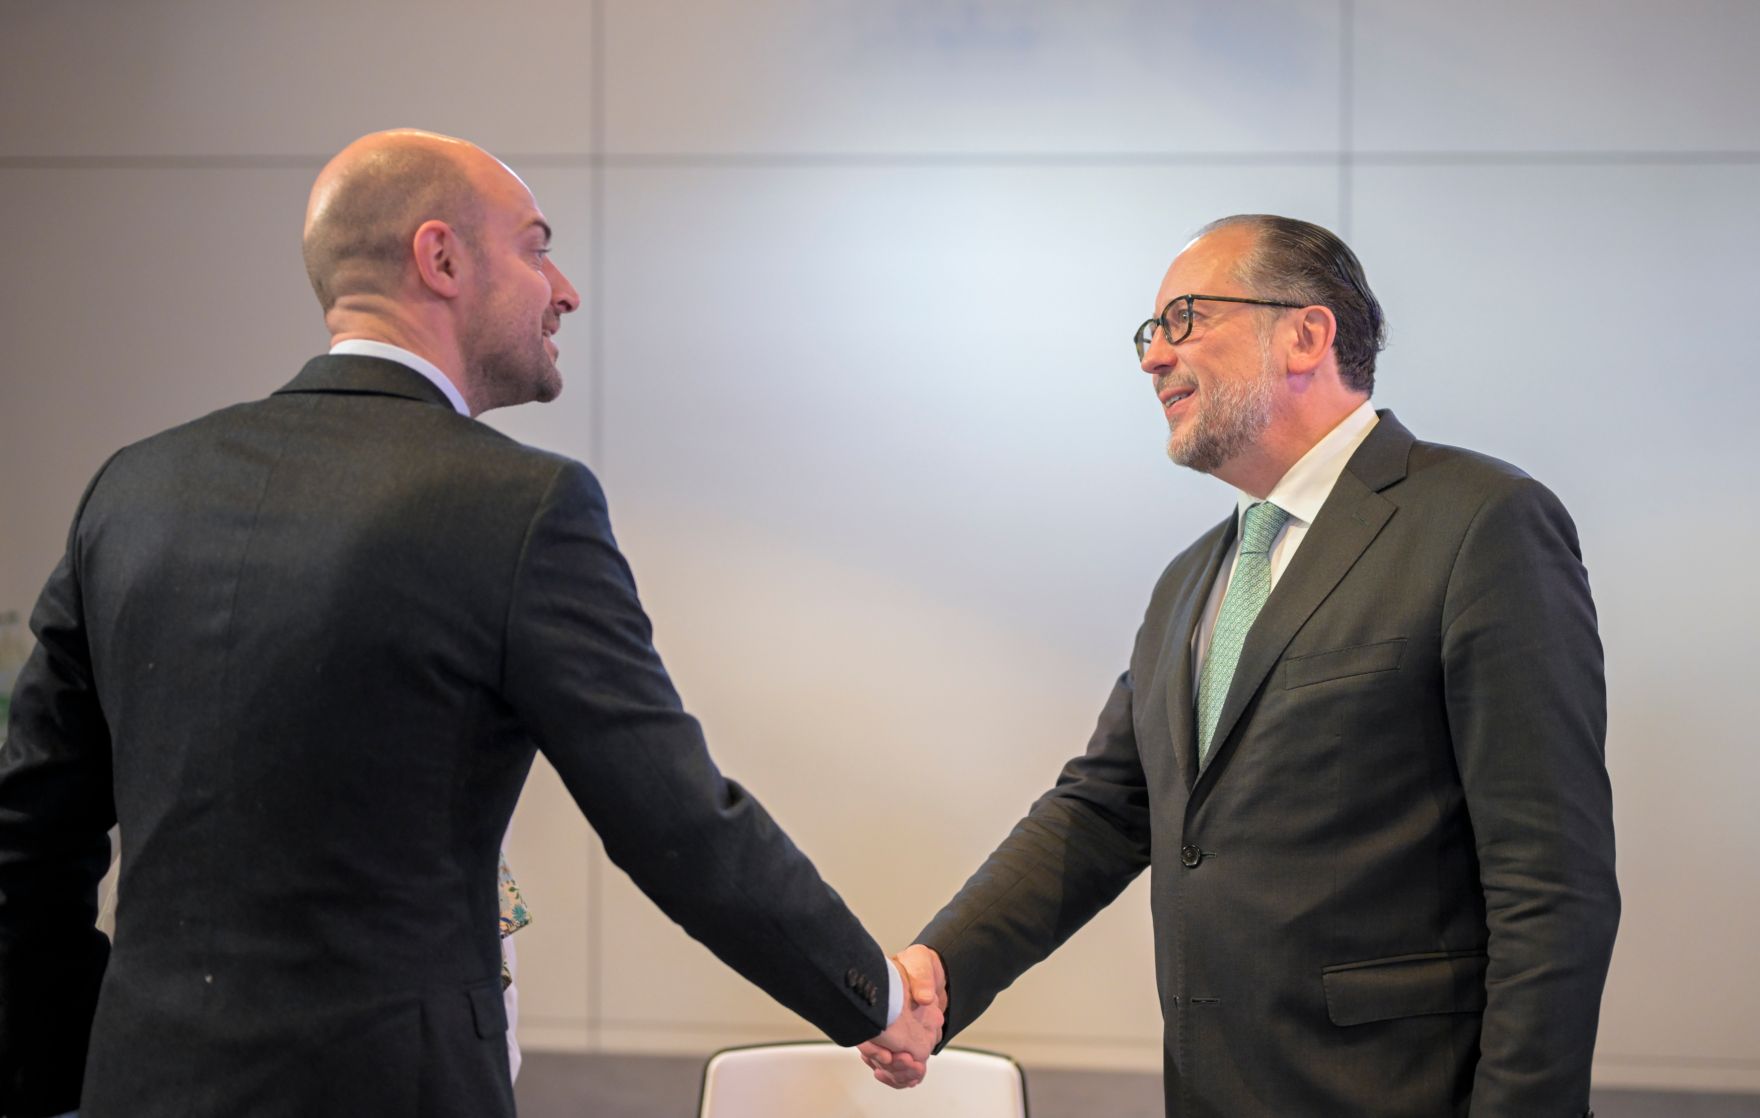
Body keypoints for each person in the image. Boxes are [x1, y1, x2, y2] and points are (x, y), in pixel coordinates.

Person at [0, 129, 939, 1118]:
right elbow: (673, 821)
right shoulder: (519, 506)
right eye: (536, 247)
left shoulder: (134, 489)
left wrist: (61, 1077)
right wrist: (873, 992)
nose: (564, 288)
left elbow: (26, 838)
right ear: (440, 258)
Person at [860, 215, 1619, 1115]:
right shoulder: (1192, 581)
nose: (1152, 359)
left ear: (1306, 333)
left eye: (1184, 320)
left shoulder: (1480, 524)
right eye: (1149, 334)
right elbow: (1103, 810)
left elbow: (1551, 884)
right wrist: (938, 969)